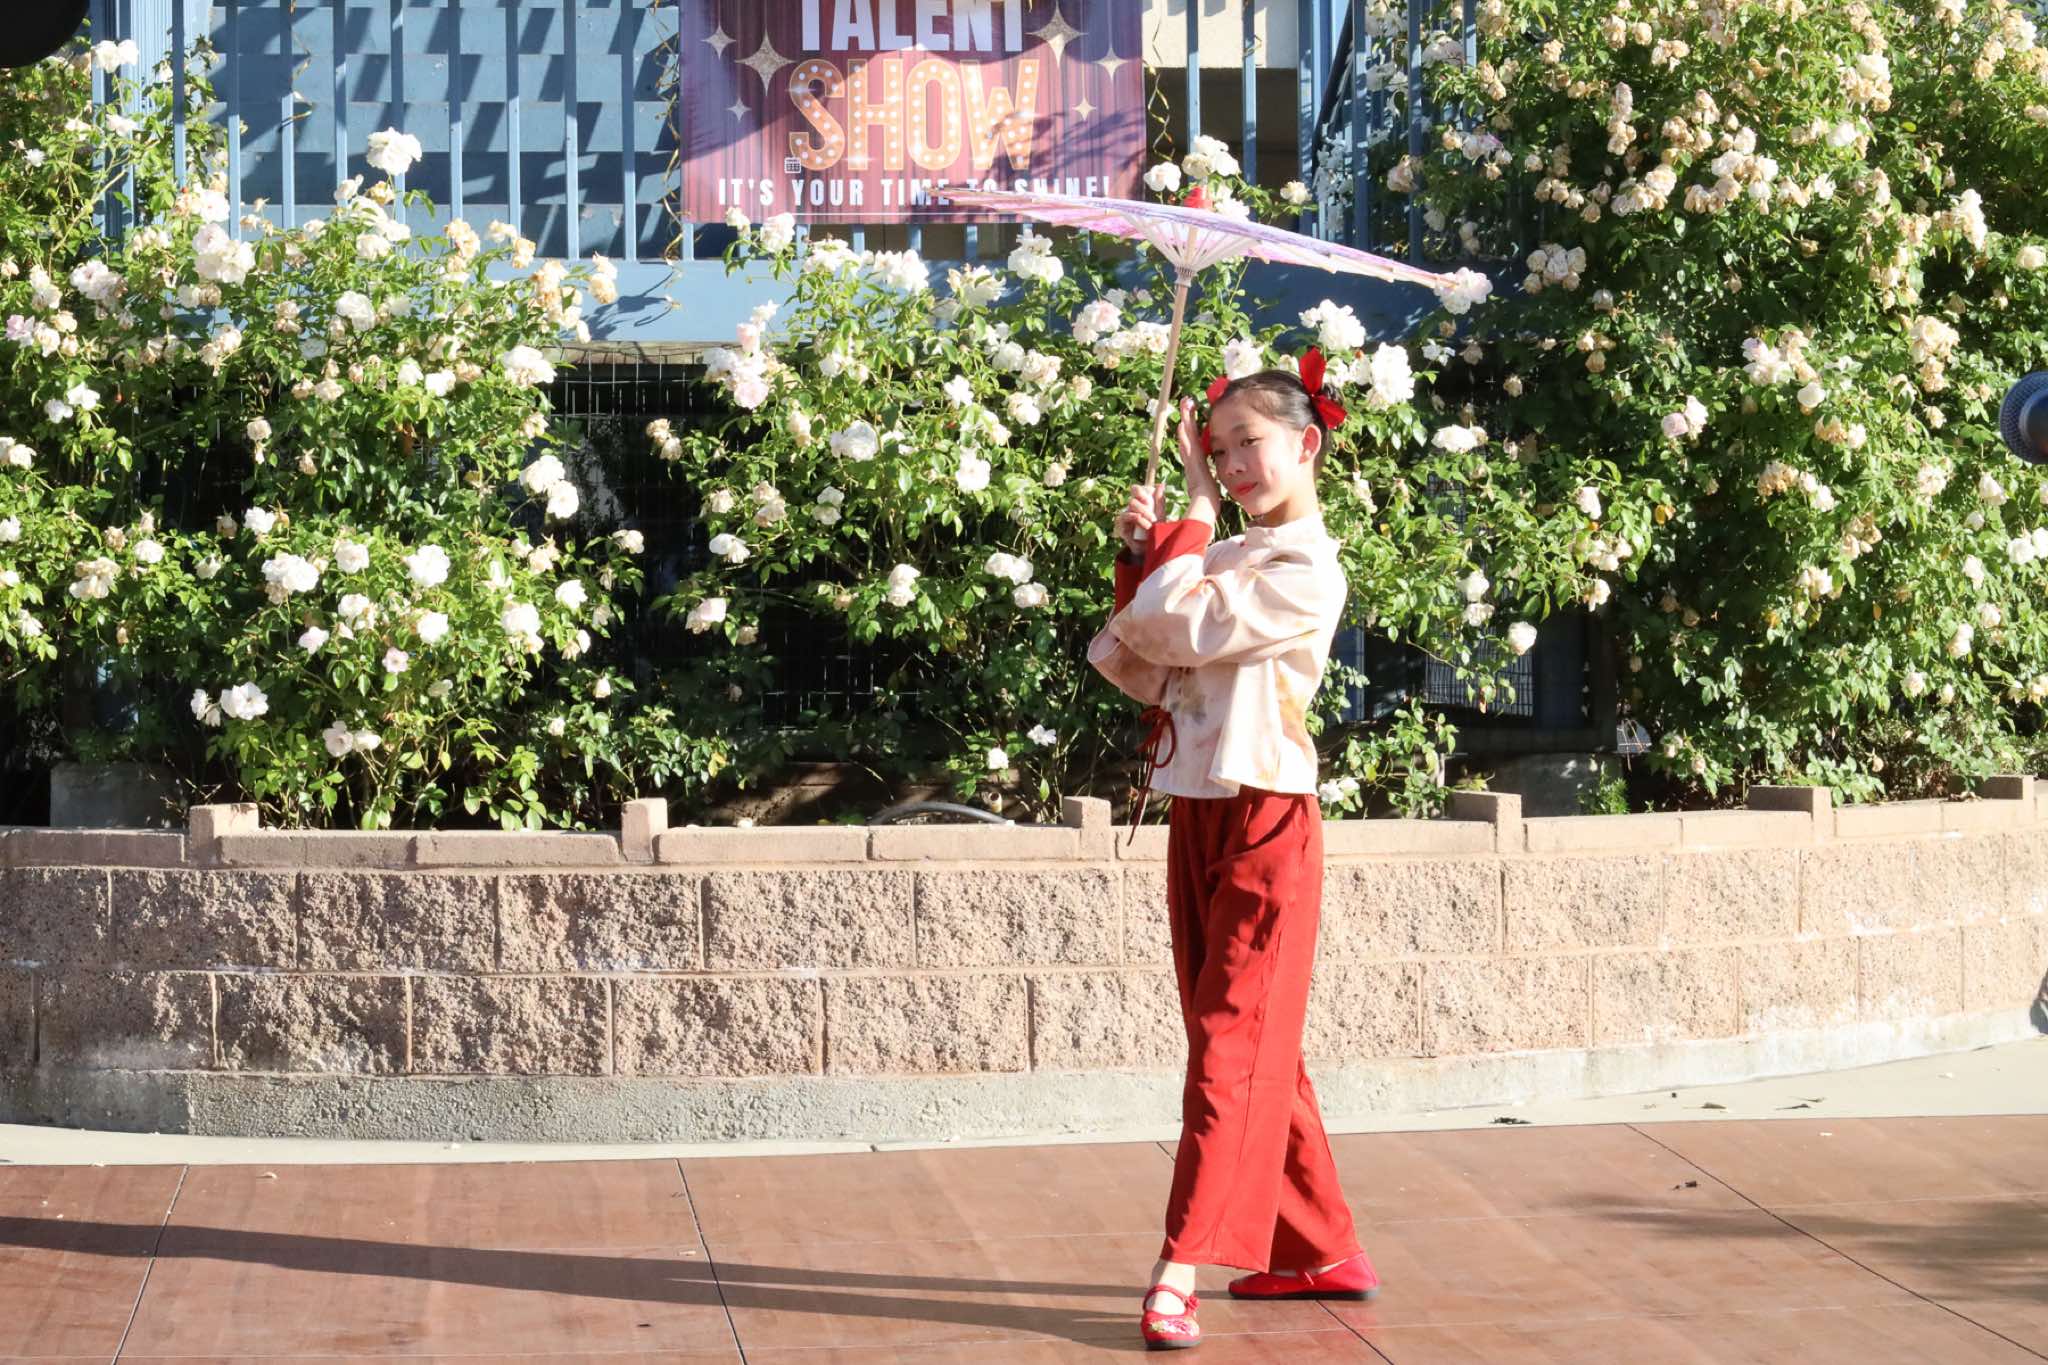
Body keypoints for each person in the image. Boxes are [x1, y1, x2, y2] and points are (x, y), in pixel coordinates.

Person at [1088, 351, 1382, 1350]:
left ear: (1306, 444)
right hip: (1200, 807)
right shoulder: (1222, 557)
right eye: (1217, 452)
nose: (1233, 464)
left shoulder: (1307, 568)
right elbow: (1134, 648)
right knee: (1249, 1044)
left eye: (1247, 443)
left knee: (1228, 1045)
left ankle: (1178, 1266)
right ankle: (1320, 1248)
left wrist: (1192, 514)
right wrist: (1149, 551)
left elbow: (1170, 624)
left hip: (1265, 819)